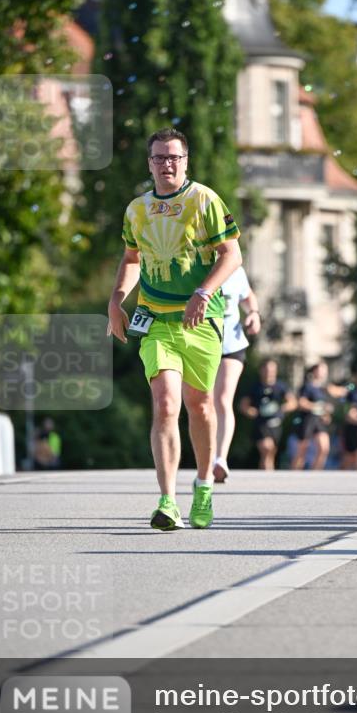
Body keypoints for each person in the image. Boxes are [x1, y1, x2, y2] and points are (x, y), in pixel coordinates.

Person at [107, 127, 241, 531]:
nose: (167, 164)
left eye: (174, 157)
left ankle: (202, 486)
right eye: (159, 158)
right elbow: (132, 258)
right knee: (166, 404)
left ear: (186, 161)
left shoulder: (204, 200)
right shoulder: (137, 209)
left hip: (201, 319)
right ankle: (167, 501)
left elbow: (232, 254)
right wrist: (116, 300)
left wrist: (204, 291)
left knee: (200, 406)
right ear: (149, 164)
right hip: (156, 321)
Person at [212, 266, 261, 483]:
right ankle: (208, 457)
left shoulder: (234, 269)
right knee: (204, 402)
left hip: (232, 344)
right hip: (201, 344)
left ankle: (220, 458)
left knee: (222, 400)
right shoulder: (197, 264)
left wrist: (253, 313)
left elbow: (248, 294)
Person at [239, 358, 297, 470]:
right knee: (266, 447)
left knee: (270, 453)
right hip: (261, 424)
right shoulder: (255, 387)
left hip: (276, 424)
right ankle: (267, 474)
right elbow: (243, 405)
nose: (269, 372)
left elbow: (293, 402)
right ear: (261, 370)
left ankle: (267, 475)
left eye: (272, 370)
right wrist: (251, 411)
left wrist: (282, 408)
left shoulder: (280, 386)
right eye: (266, 369)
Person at [290, 361, 346, 470]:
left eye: (325, 370)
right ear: (314, 371)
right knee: (302, 451)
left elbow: (324, 406)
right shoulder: (307, 386)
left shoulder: (322, 389)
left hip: (319, 422)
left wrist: (326, 413)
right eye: (321, 369)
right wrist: (317, 407)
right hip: (307, 420)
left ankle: (315, 474)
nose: (324, 372)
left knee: (324, 448)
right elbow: (301, 403)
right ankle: (294, 474)